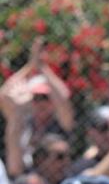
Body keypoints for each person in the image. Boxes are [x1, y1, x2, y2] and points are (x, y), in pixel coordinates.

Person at [1, 38, 74, 176]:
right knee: (13, 129)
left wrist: (42, 67)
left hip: (55, 176)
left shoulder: (60, 122)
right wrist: (30, 65)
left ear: (52, 101)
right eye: (37, 98)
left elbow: (64, 97)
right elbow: (4, 96)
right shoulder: (24, 120)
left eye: (45, 98)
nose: (41, 103)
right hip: (26, 175)